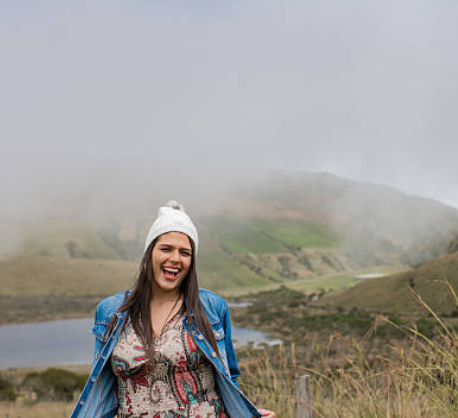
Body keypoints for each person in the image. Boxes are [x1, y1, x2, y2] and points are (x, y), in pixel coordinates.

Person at [71, 200, 276, 418]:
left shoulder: (212, 307)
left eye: (185, 253)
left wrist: (248, 413)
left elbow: (229, 378)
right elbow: (102, 389)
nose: (175, 259)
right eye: (166, 249)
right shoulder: (111, 311)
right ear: (149, 253)